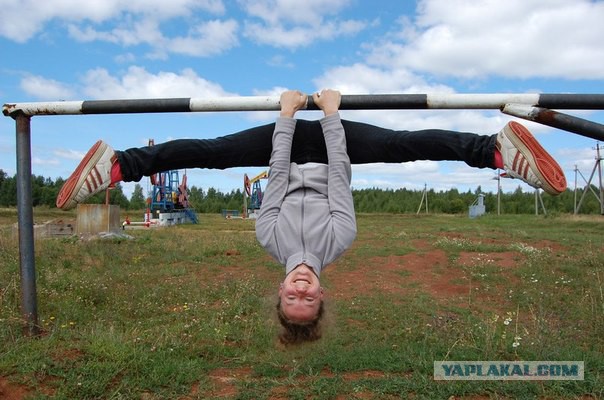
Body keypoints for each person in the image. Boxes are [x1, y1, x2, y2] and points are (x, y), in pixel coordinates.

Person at [56, 89, 567, 344]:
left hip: (281, 143)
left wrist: (284, 117)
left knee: (210, 149)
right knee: (402, 144)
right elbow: (340, 174)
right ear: (322, 295)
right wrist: (328, 115)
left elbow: (276, 175)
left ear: (280, 293)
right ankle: (497, 153)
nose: (300, 288)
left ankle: (119, 164)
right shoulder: (340, 240)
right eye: (309, 298)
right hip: (331, 147)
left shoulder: (268, 238)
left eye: (291, 297)